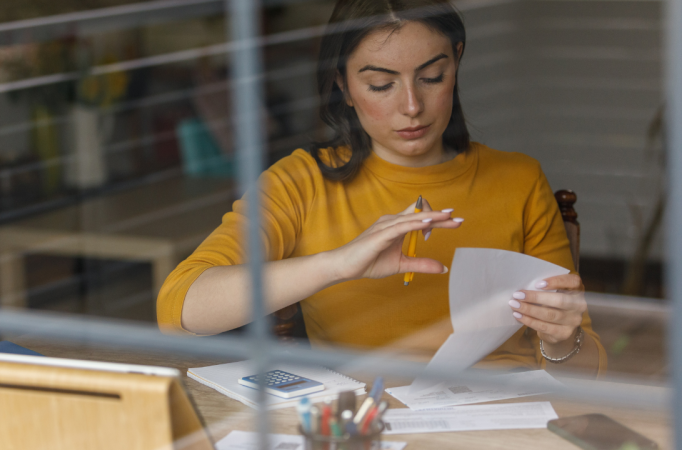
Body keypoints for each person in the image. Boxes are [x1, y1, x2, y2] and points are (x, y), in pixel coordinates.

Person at [158, 0, 606, 376]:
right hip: (371, 423)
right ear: (344, 86)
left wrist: (561, 339)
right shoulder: (300, 184)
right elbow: (179, 310)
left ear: (457, 60)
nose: (411, 106)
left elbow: (589, 372)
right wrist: (336, 264)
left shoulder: (518, 180)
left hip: (502, 420)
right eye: (381, 85)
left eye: (432, 77)